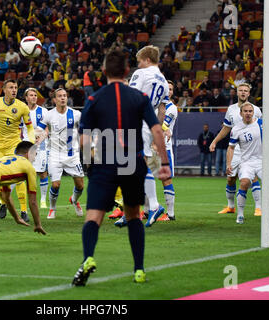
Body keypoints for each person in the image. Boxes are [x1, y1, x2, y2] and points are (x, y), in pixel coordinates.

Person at [72, 50, 171, 286]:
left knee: (94, 216)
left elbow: (84, 138)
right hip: (132, 162)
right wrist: (163, 164)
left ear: (104, 71)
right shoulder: (138, 98)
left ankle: (88, 259)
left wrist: (88, 166)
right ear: (127, 71)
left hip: (105, 162)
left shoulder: (94, 99)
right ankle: (138, 270)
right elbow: (157, 130)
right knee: (134, 215)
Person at [118, 45, 169, 228]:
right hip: (148, 123)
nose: (138, 65)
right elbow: (161, 109)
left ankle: (152, 206)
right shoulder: (163, 81)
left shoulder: (141, 74)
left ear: (147, 60)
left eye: (139, 61)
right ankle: (133, 211)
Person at [0, 79, 35, 222]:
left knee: (19, 176)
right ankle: (4, 203)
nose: (14, 90)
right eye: (11, 87)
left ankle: (23, 210)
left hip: (14, 145)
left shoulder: (22, 107)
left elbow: (29, 126)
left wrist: (31, 143)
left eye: (16, 87)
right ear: (4, 89)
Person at [209, 83, 263, 216]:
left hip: (251, 149)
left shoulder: (256, 110)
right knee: (230, 179)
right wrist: (215, 141)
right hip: (235, 149)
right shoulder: (231, 110)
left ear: (249, 94)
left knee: (253, 177)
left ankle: (258, 207)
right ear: (237, 93)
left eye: (246, 91)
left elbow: (262, 130)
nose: (243, 93)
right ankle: (231, 206)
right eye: (241, 91)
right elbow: (226, 128)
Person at [41, 88, 84, 219]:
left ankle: (74, 200)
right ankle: (52, 209)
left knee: (80, 185)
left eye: (64, 95)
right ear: (54, 100)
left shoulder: (76, 114)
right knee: (55, 184)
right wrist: (39, 136)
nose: (63, 98)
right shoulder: (49, 115)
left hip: (72, 155)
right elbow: (40, 128)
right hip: (54, 154)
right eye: (60, 96)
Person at [226, 103, 267, 224]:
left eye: (250, 111)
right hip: (246, 162)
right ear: (241, 113)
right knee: (244, 183)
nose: (248, 113)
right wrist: (229, 164)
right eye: (246, 111)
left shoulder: (261, 123)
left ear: (253, 112)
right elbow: (231, 147)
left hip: (262, 161)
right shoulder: (236, 129)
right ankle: (240, 215)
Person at [20, 88, 50, 208]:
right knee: (24, 173)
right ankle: (26, 200)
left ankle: (43, 200)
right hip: (26, 145)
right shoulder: (22, 111)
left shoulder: (43, 111)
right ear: (26, 98)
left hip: (41, 145)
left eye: (35, 95)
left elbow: (47, 128)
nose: (33, 97)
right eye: (31, 95)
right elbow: (19, 129)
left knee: (42, 173)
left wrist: (41, 138)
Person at [156, 80, 178, 221]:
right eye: (166, 89)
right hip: (150, 147)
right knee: (145, 178)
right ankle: (147, 211)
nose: (168, 91)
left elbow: (163, 125)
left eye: (170, 89)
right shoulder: (155, 106)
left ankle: (170, 214)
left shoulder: (171, 108)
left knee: (166, 179)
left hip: (164, 149)